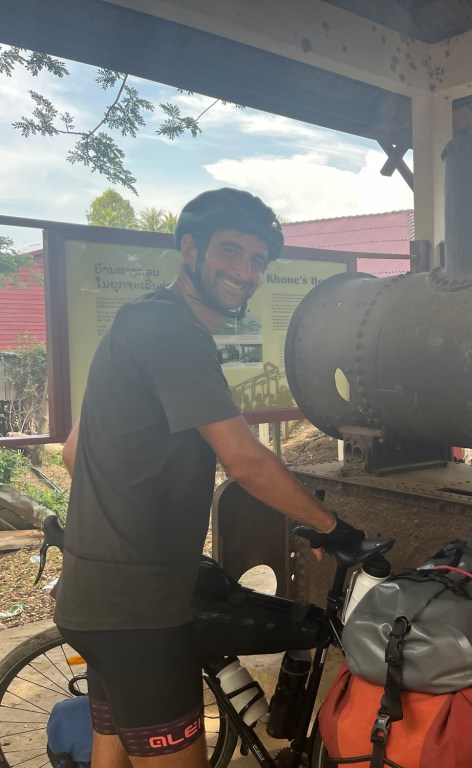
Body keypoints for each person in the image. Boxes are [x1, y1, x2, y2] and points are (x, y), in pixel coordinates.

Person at [55, 188, 343, 768]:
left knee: (113, 758)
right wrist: (332, 528)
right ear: (190, 249)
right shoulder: (176, 331)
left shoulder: (137, 319)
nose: (247, 271)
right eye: (231, 250)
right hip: (141, 612)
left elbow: (72, 451)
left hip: (90, 597)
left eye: (258, 260)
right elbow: (246, 460)